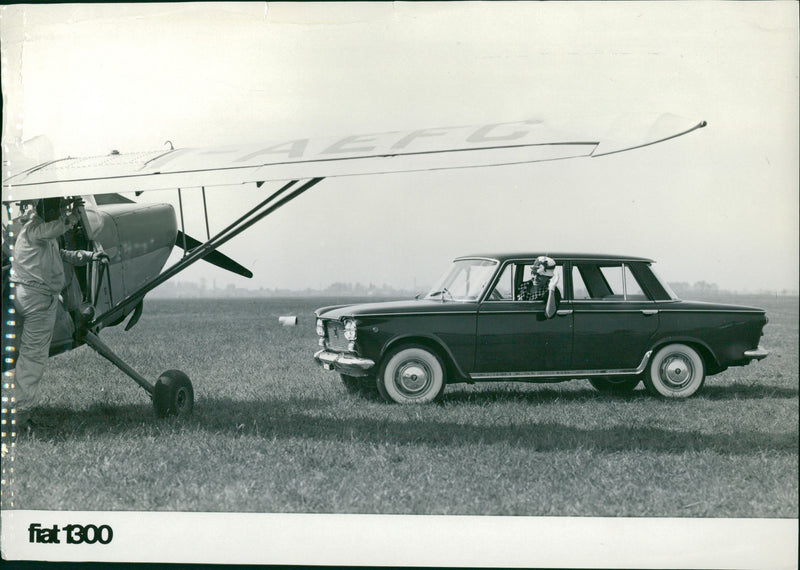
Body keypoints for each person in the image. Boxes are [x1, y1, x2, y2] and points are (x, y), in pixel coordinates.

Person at [10, 197, 106, 431]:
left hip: (26, 296)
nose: (61, 211)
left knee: (25, 354)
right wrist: (74, 216)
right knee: (33, 357)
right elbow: (52, 229)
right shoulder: (35, 230)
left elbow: (58, 252)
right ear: (48, 209)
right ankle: (20, 416)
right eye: (59, 207)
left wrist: (87, 255)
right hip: (38, 301)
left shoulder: (33, 232)